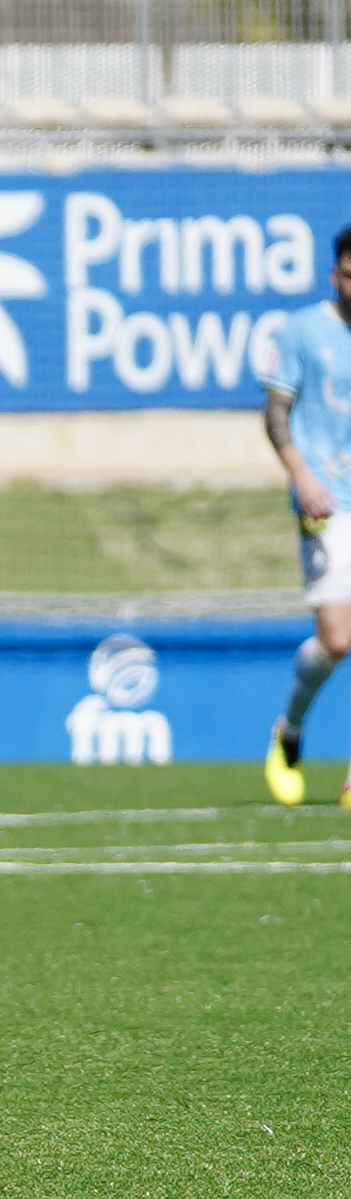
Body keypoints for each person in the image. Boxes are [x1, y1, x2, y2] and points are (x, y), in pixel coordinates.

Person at [256, 227, 351, 806]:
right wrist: (301, 474)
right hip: (328, 499)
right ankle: (288, 730)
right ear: (334, 275)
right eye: (350, 275)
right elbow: (274, 416)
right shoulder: (302, 331)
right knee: (338, 639)